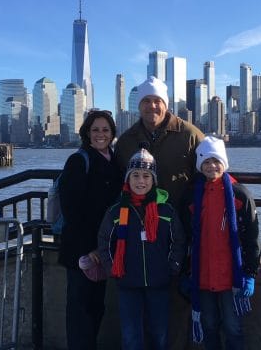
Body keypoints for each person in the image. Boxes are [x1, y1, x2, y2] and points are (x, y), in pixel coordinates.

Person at [115, 75, 204, 348]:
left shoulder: (189, 134)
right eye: (145, 101)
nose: (151, 106)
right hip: (134, 236)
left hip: (179, 232)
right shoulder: (127, 139)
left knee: (175, 304)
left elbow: (212, 172)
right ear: (138, 105)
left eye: (157, 101)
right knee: (136, 315)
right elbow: (117, 183)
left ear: (165, 104)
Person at [97, 148, 186, 350]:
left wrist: (173, 266)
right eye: (135, 176)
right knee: (131, 336)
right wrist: (112, 268)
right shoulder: (116, 211)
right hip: (127, 282)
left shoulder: (166, 210)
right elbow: (104, 242)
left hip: (159, 282)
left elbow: (178, 241)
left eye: (146, 176)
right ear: (128, 179)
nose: (140, 181)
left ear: (153, 180)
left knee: (159, 334)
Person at [187, 135, 260, 350]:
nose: (211, 166)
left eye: (216, 161)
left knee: (232, 325)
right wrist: (185, 271)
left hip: (231, 275)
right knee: (208, 323)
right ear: (200, 165)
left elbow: (252, 236)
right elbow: (186, 234)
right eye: (206, 161)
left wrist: (250, 273)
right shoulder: (191, 196)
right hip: (202, 274)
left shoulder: (240, 195)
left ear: (224, 163)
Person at [57, 110, 123, 350]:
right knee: (80, 308)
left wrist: (103, 247)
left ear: (113, 133)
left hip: (103, 247)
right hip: (81, 250)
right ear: (86, 132)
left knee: (97, 306)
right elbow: (71, 210)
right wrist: (90, 249)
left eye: (105, 130)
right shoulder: (78, 160)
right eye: (95, 129)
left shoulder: (114, 161)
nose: (100, 134)